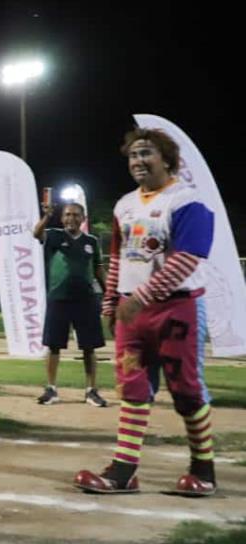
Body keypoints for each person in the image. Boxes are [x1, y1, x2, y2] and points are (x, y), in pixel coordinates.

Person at [75, 128, 217, 497]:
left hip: (176, 309)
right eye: (133, 155)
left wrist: (142, 295)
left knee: (185, 388)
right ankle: (124, 471)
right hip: (132, 313)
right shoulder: (125, 205)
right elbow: (119, 257)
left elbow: (188, 258)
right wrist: (111, 301)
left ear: (167, 159)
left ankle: (204, 468)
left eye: (146, 154)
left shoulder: (188, 201)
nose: (138, 161)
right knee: (133, 386)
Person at [33, 202, 108, 407]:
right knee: (53, 345)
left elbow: (99, 269)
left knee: (89, 347)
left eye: (75, 215)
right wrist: (47, 216)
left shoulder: (91, 241)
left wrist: (110, 292)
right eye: (67, 215)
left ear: (83, 218)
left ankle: (91, 390)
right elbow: (36, 233)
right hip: (59, 297)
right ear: (62, 218)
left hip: (86, 299)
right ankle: (51, 389)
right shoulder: (54, 235)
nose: (71, 218)